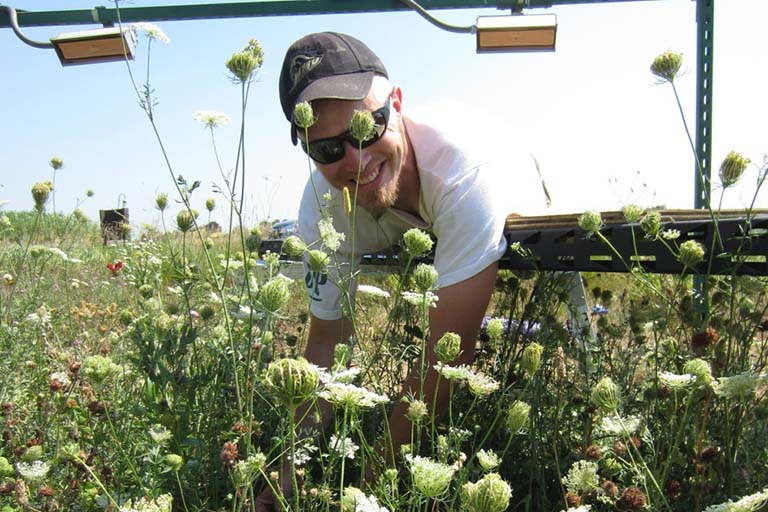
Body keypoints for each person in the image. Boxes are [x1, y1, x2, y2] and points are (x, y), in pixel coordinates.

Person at [256, 31, 536, 511]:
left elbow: (447, 358)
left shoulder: (465, 173)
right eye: (327, 150)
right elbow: (326, 342)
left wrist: (365, 489)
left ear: (398, 103)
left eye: (368, 128)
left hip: (528, 198)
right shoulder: (321, 207)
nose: (356, 160)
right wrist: (290, 470)